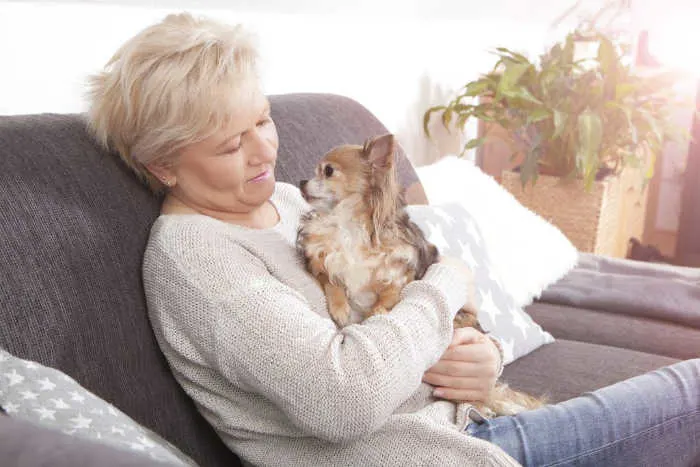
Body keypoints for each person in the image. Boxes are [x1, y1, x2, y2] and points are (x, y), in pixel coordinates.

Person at [86, 12, 700, 467]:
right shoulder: (197, 262)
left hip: (467, 420)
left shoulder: (285, 201)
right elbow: (343, 398)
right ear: (162, 164)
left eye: (263, 118)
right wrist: (449, 282)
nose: (266, 150)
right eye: (230, 144)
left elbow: (396, 284)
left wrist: (478, 349)